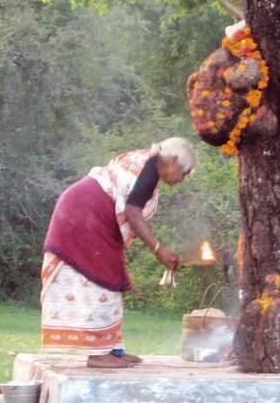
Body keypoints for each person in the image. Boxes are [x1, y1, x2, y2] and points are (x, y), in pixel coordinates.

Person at [40, 137, 197, 368]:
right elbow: (132, 213)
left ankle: (112, 349)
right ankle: (98, 354)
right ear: (173, 161)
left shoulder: (147, 165)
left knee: (112, 276)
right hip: (84, 215)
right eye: (184, 173)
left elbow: (130, 208)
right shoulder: (150, 167)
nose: (181, 179)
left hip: (90, 215)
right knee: (101, 281)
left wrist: (158, 248)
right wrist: (158, 249)